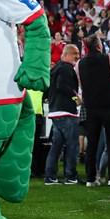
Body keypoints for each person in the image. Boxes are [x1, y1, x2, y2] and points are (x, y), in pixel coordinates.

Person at [78, 35, 110, 187]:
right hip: (109, 105)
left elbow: (81, 84)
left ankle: (90, 179)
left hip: (91, 107)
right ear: (99, 46)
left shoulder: (79, 64)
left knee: (92, 144)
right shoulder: (109, 58)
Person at [44, 45, 82, 185]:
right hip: (66, 112)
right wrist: (75, 97)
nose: (77, 56)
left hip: (55, 111)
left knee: (56, 146)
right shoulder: (66, 68)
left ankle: (50, 176)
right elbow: (62, 85)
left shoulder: (54, 70)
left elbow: (48, 88)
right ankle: (71, 176)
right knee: (72, 146)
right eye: (75, 53)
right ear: (66, 55)